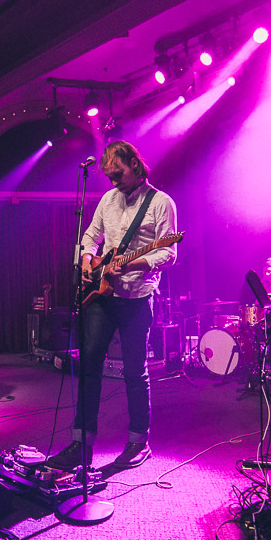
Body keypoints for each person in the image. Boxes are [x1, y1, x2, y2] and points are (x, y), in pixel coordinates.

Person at [46, 140, 177, 470]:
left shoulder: (161, 203)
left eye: (117, 173)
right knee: (89, 365)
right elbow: (90, 236)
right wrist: (88, 258)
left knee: (135, 372)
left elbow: (168, 252)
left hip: (137, 298)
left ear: (134, 163)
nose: (113, 181)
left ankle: (138, 442)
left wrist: (133, 265)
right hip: (103, 296)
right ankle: (80, 444)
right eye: (108, 175)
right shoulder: (108, 199)